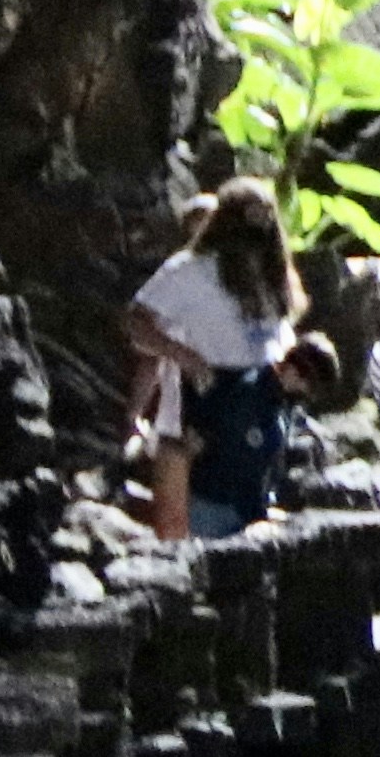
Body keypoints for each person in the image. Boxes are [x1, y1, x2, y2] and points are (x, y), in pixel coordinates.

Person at [125, 178, 297, 544]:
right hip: (198, 406)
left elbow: (280, 334)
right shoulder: (189, 270)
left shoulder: (272, 273)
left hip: (259, 406)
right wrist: (183, 355)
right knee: (183, 527)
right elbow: (136, 321)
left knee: (251, 521)